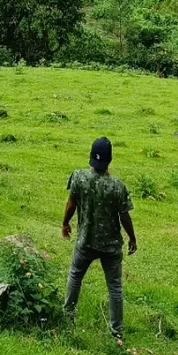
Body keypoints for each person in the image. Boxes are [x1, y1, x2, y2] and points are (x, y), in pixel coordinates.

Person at [61, 136, 136, 342]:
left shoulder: (78, 178)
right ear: (110, 159)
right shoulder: (118, 186)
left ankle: (67, 316)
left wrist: (65, 223)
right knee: (114, 287)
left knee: (75, 276)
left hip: (85, 242)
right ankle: (116, 330)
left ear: (90, 156)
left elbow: (71, 204)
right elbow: (124, 216)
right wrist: (132, 238)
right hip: (111, 247)